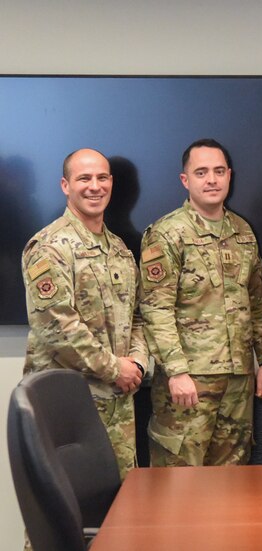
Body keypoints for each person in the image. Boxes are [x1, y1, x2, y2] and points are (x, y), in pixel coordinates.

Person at [139, 138, 262, 467]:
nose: (211, 180)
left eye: (218, 171)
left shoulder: (243, 232)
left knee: (233, 482)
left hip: (238, 381)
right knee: (179, 483)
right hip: (189, 384)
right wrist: (176, 372)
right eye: (201, 172)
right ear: (185, 180)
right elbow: (155, 310)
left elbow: (256, 302)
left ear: (230, 176)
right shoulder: (166, 234)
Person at [22, 148, 147, 479]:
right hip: (70, 408)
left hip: (118, 405)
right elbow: (58, 328)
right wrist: (113, 368)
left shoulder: (119, 250)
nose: (95, 186)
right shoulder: (49, 247)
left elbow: (135, 316)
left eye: (102, 178)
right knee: (66, 514)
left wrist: (137, 363)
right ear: (66, 185)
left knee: (120, 512)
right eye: (84, 178)